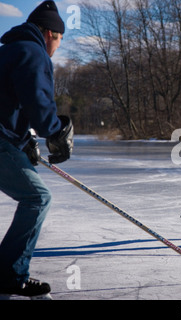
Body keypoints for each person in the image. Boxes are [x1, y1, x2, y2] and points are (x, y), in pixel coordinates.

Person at [0, 1, 73, 299]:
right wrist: (54, 132)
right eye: (60, 39)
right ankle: (9, 275)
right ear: (49, 33)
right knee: (37, 198)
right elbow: (38, 102)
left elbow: (13, 103)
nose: (58, 46)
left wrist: (26, 141)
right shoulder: (33, 52)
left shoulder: (10, 50)